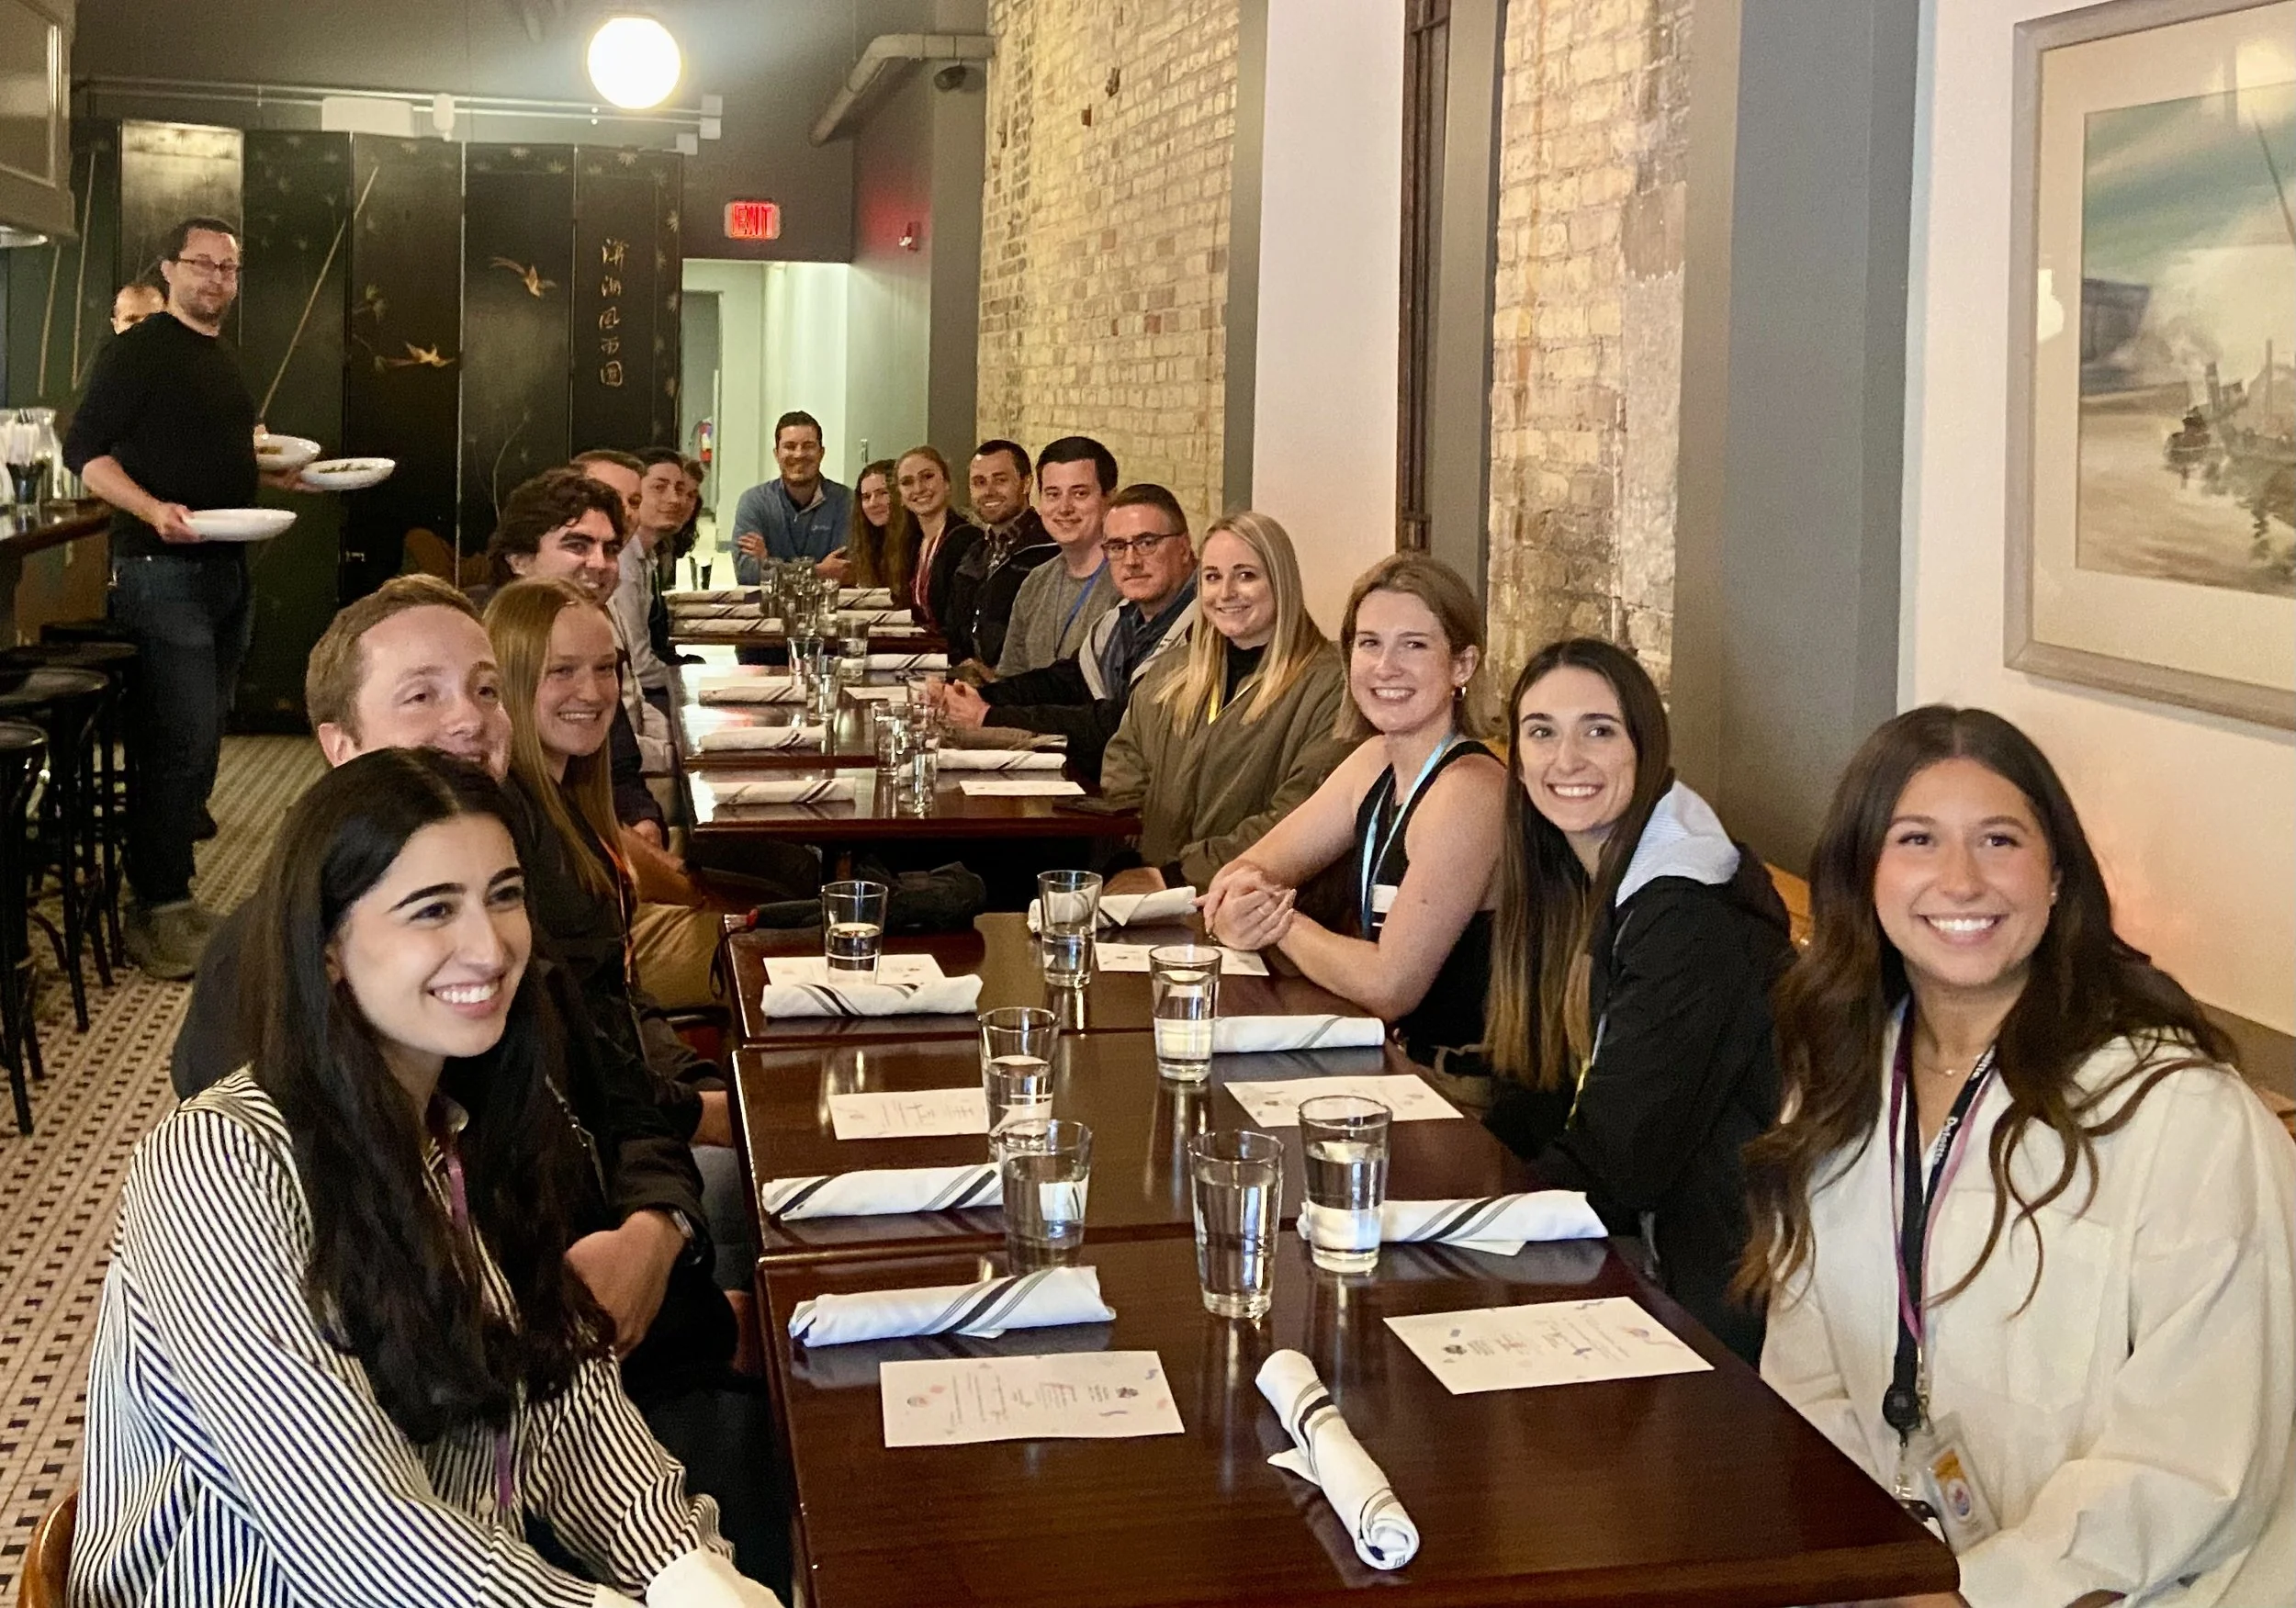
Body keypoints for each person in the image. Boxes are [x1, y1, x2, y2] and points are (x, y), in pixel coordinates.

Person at [77, 748, 783, 1606]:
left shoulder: (461, 1121)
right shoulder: (220, 1163)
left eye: (505, 895)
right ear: (330, 946)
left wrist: (691, 1569)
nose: (487, 945)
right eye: (431, 908)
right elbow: (352, 1530)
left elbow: (569, 1406)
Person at [1741, 706, 2293, 1607]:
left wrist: (1977, 1593)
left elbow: (2194, 1454)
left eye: (1999, 839)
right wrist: (1871, 1561)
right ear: (1861, 872)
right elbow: (1807, 1380)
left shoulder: (2183, 1115)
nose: (1961, 879)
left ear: (2057, 874)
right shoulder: (1840, 1079)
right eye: (1916, 838)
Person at [1479, 638, 1791, 1365]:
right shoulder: (1586, 870)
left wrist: (1463, 1216)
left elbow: (1617, 1170)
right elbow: (1548, 1091)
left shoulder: (1685, 911)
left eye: (1599, 729)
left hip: (1727, 1301)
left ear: (1645, 744)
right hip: (1662, 1255)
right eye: (1542, 731)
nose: (1567, 759)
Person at [63, 215, 308, 978]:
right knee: (178, 741)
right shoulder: (136, 351)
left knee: (203, 743)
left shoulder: (221, 358)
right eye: (202, 265)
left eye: (228, 269)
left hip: (226, 570)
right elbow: (84, 455)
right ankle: (155, 909)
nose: (216, 280)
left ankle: (174, 892)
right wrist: (151, 511)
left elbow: (218, 455)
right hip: (160, 573)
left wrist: (272, 475)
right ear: (169, 269)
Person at [1203, 553, 1506, 1066]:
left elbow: (1391, 984)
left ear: (1462, 665)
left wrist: (1276, 923)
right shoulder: (1373, 759)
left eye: (1413, 645)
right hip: (1383, 1055)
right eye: (1369, 644)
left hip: (1460, 1088)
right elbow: (1241, 874)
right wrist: (1234, 909)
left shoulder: (1470, 789)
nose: (1386, 667)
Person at [1097, 510, 1351, 895]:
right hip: (1151, 895)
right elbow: (1125, 767)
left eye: (1246, 575)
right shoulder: (1169, 674)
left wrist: (1181, 875)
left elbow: (1298, 817)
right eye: (1212, 577)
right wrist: (1130, 858)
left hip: (1257, 903)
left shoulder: (1330, 686)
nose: (1226, 593)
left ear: (1281, 582)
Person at [943, 482, 1199, 782]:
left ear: (1183, 548)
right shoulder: (1122, 619)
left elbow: (1116, 721)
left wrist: (989, 716)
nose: (1131, 560)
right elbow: (1067, 681)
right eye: (1117, 547)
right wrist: (971, 697)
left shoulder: (1201, 631)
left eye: (1147, 543)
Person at [995, 435, 1120, 678]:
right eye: (1053, 494)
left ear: (1110, 499)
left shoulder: (1126, 583)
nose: (1064, 508)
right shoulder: (1034, 583)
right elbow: (1010, 679)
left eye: (1080, 493)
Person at [942, 438, 1054, 671]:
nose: (989, 491)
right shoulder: (975, 551)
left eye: (1000, 480)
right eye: (979, 482)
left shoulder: (1047, 550)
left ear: (1026, 484)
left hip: (1017, 690)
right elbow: (952, 627)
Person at [730, 410, 850, 579]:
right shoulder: (754, 502)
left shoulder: (845, 501)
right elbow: (747, 573)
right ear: (776, 454)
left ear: (821, 453)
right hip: (768, 606)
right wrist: (818, 572)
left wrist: (770, 564)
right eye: (790, 446)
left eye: (808, 446)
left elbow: (844, 571)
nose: (799, 454)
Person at [899, 444, 977, 627]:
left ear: (947, 483)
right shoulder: (911, 541)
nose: (918, 489)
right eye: (907, 482)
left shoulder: (968, 540)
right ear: (900, 496)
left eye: (927, 477)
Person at [841, 457, 919, 596]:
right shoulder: (868, 542)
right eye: (866, 497)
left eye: (883, 493)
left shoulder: (918, 539)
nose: (873, 503)